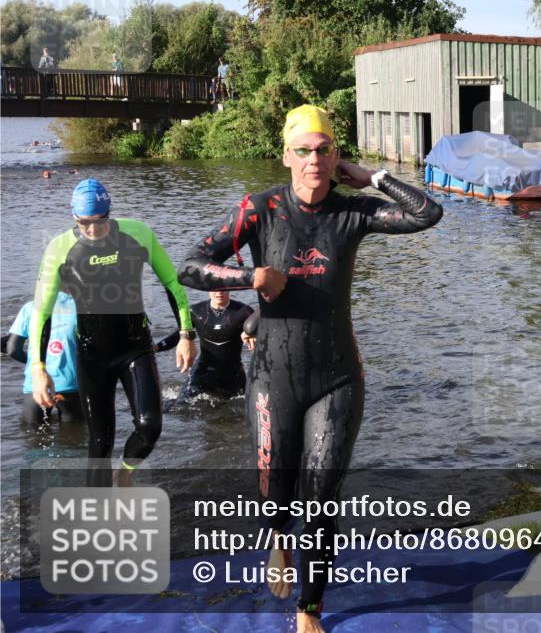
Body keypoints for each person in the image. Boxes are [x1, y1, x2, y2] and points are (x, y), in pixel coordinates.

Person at [179, 104, 442, 632]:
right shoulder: (260, 209)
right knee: (277, 493)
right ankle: (279, 540)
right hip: (273, 376)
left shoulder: (353, 212)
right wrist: (249, 278)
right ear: (286, 156)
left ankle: (309, 608)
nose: (314, 160)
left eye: (324, 150)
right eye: (304, 150)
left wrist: (375, 176)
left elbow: (426, 213)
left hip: (338, 377)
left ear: (336, 156)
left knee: (321, 497)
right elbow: (189, 264)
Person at [30, 178, 197, 486]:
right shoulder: (60, 248)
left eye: (100, 221)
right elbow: (42, 312)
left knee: (150, 427)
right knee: (100, 442)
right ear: (74, 218)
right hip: (92, 354)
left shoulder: (138, 234)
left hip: (136, 347)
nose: (92, 230)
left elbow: (173, 284)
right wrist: (39, 368)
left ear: (109, 213)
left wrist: (186, 334)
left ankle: (125, 474)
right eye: (84, 223)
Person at [157, 290, 256, 401]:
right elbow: (179, 335)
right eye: (214, 288)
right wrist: (156, 348)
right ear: (207, 289)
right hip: (203, 371)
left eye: (222, 288)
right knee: (180, 404)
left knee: (245, 406)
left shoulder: (244, 312)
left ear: (230, 288)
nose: (219, 292)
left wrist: (252, 331)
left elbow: (264, 329)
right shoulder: (196, 311)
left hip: (233, 373)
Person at [4, 291, 82, 425]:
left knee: (32, 437)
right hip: (70, 385)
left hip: (35, 385)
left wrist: (34, 363)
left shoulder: (30, 307)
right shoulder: (80, 307)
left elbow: (12, 349)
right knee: (73, 437)